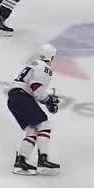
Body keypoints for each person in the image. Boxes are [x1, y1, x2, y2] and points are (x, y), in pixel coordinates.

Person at [7, 44, 61, 175]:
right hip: (23, 97)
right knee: (44, 125)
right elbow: (36, 87)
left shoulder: (34, 64)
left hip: (13, 99)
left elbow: (33, 89)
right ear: (51, 57)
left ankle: (20, 162)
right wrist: (48, 100)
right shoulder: (44, 68)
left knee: (32, 130)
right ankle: (43, 160)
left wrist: (46, 99)